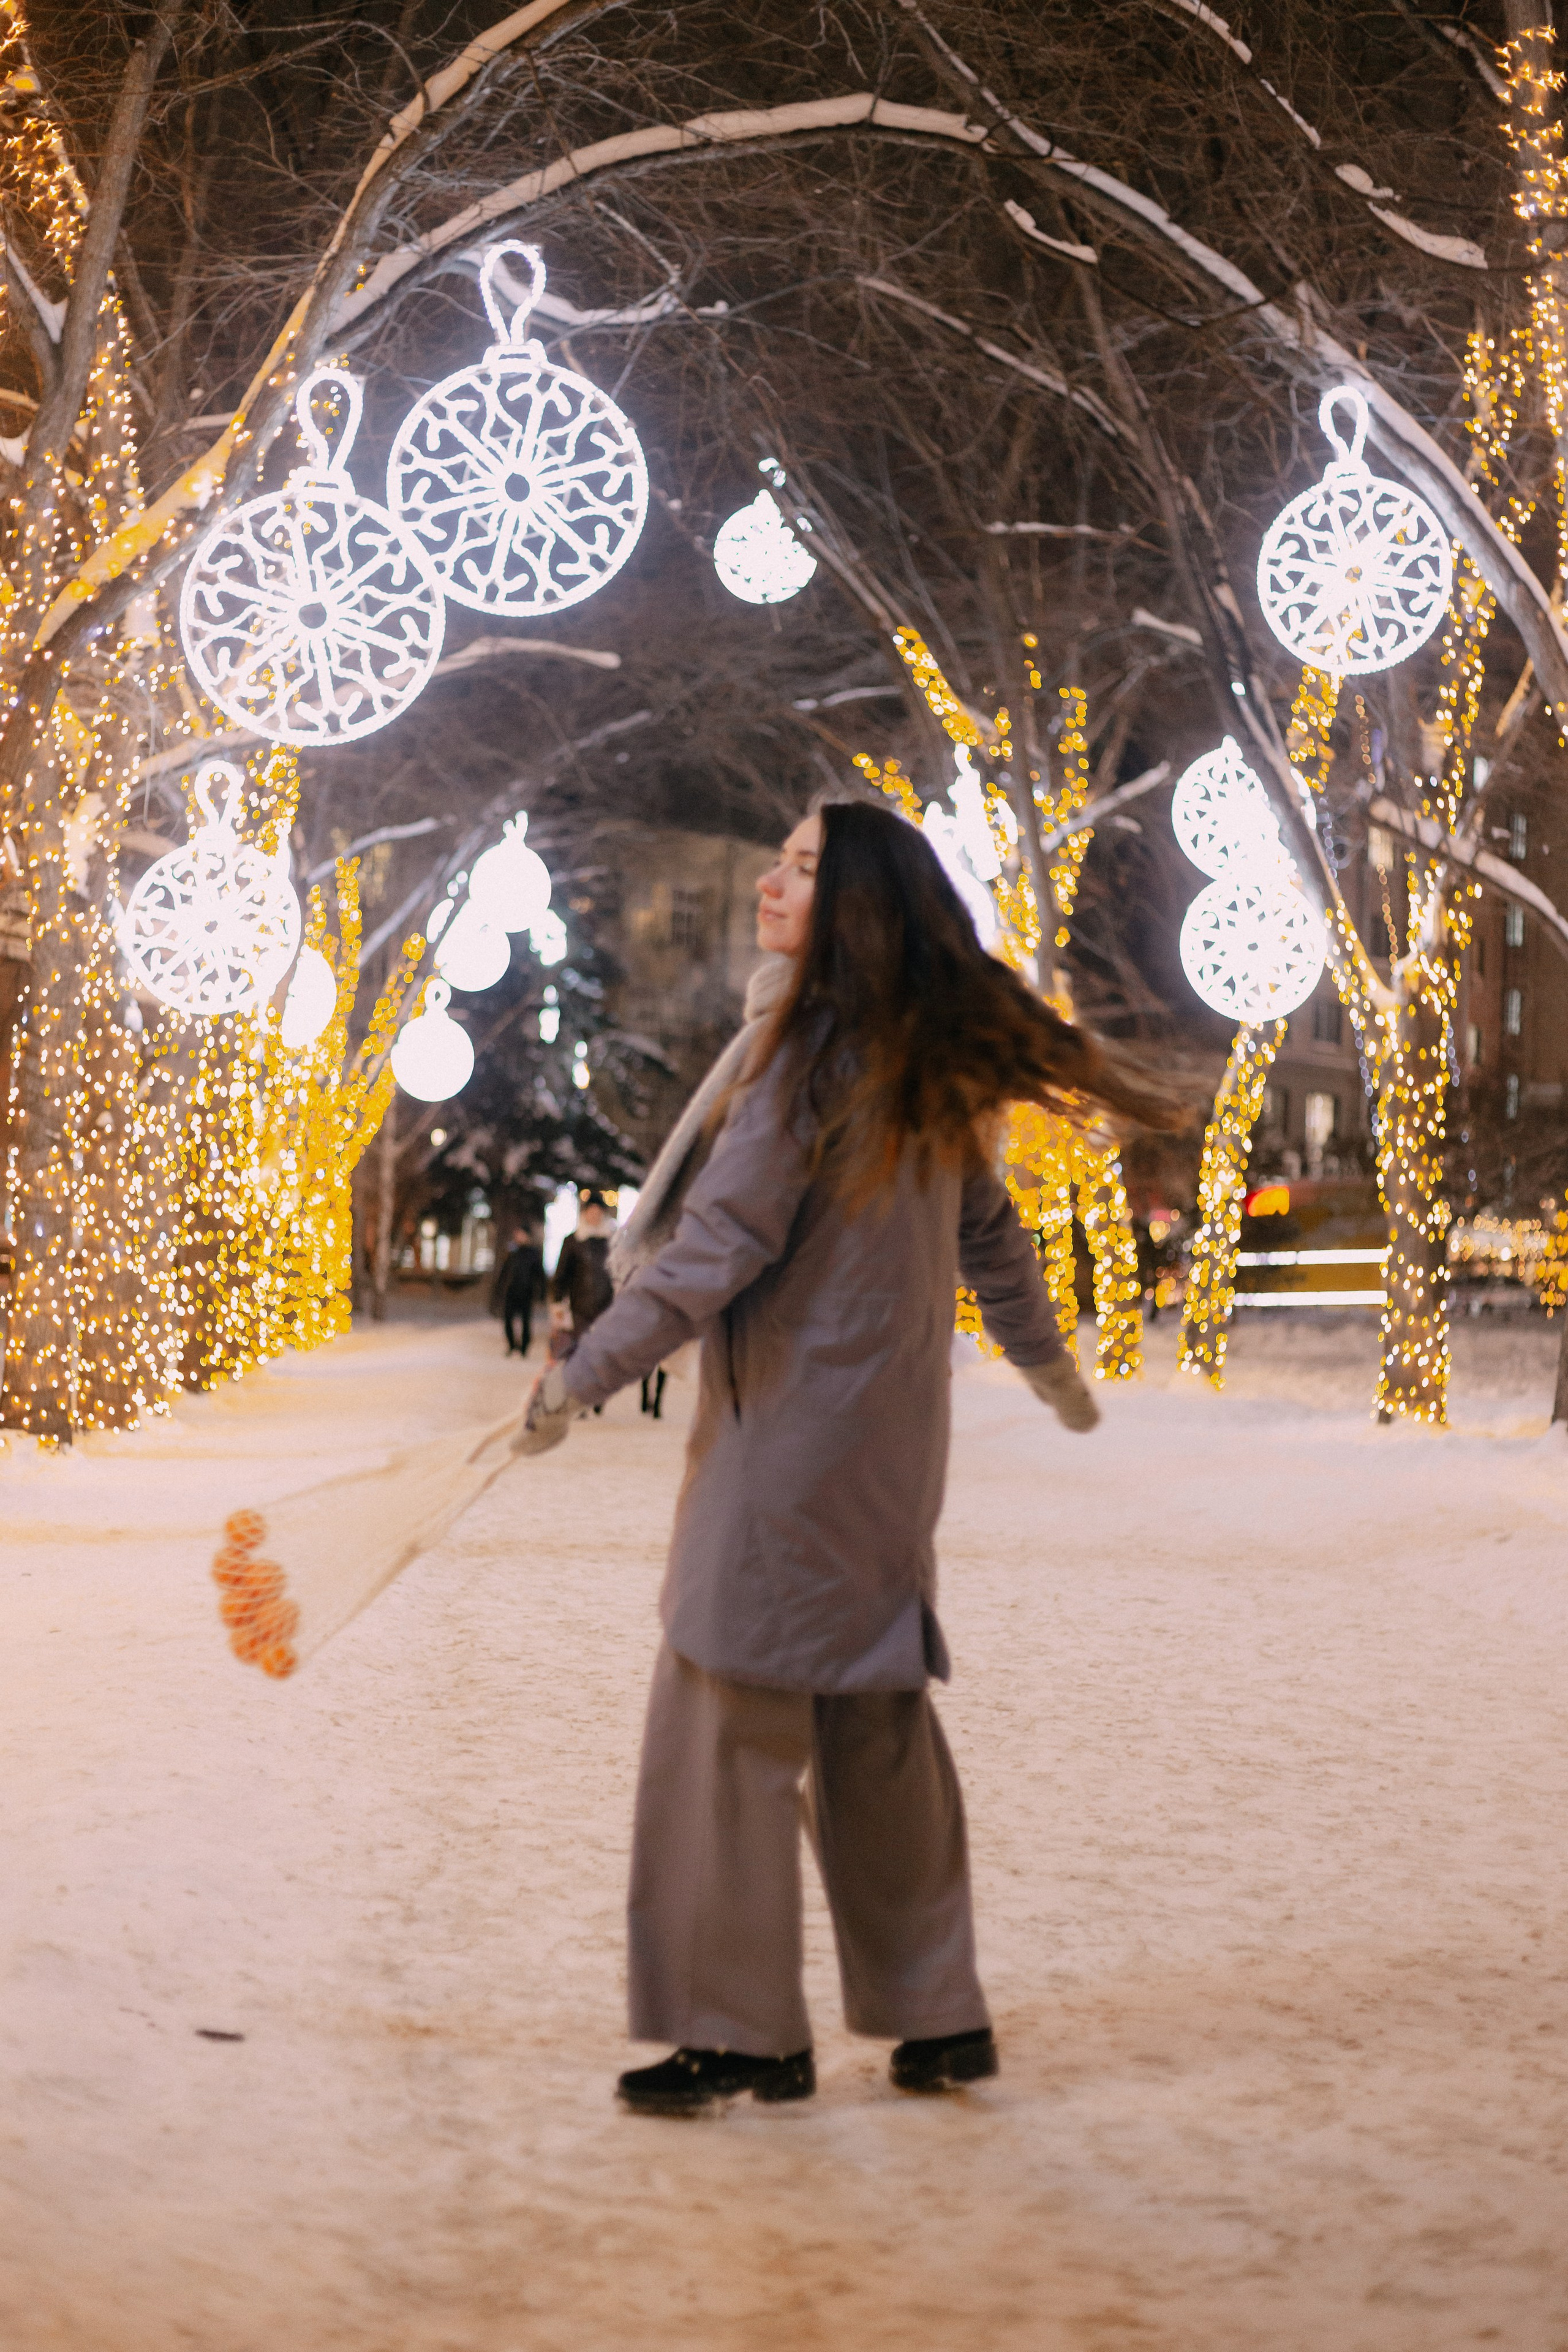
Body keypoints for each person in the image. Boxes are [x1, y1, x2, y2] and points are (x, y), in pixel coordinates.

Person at [516, 799, 1176, 2117]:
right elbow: (990, 1235)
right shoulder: (918, 1066)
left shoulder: (807, 1059)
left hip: (783, 1457)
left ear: (857, 906)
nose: (772, 881)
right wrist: (1047, 1365)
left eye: (804, 868)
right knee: (872, 1722)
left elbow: (710, 1255)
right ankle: (937, 2013)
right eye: (777, 858)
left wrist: (578, 1376)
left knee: (721, 1727)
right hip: (885, 1458)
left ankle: (739, 2031)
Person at [491, 1224, 545, 1357]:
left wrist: (541, 1294)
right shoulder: (512, 1252)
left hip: (526, 1292)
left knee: (526, 1321)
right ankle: (511, 1345)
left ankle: (524, 1347)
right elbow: (505, 1272)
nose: (519, 1237)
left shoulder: (533, 1253)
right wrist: (499, 1289)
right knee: (508, 1319)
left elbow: (540, 1275)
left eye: (521, 1234)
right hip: (511, 1291)